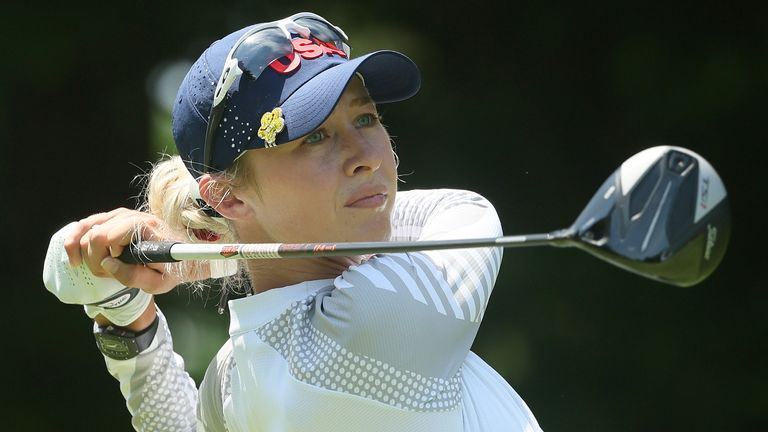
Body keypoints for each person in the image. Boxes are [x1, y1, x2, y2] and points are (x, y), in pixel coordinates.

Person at [43, 11, 543, 432]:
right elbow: (464, 210)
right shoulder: (380, 319)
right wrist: (197, 263)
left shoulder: (236, 372)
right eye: (314, 137)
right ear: (228, 197)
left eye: (365, 118)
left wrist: (127, 321)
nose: (365, 157)